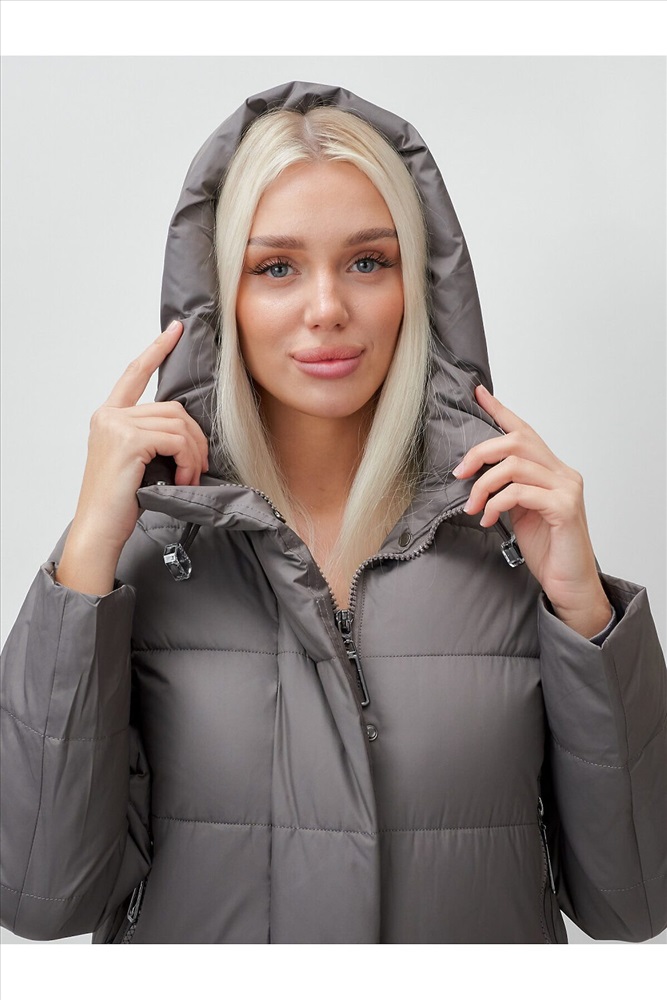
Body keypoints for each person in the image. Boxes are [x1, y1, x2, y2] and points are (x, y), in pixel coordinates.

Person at [1, 81, 665, 945]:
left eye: (367, 262)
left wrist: (585, 615)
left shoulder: (510, 544)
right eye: (276, 267)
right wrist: (86, 555)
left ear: (418, 286)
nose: (327, 309)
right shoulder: (141, 556)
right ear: (220, 300)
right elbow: (36, 896)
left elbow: (635, 902)